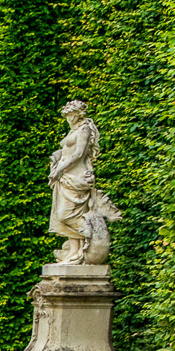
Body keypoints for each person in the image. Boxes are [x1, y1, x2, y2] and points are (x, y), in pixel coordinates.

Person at [47, 100, 120, 265]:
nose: (68, 118)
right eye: (66, 116)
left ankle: (89, 233)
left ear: (78, 114)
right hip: (65, 177)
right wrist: (57, 158)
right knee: (63, 214)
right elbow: (67, 150)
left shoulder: (84, 129)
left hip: (76, 176)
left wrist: (60, 168)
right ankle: (74, 251)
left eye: (70, 115)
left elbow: (79, 153)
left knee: (67, 214)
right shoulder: (73, 129)